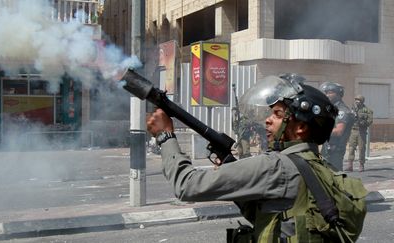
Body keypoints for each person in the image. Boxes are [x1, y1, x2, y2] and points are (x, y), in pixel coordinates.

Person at [147, 74, 344, 241]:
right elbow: (271, 216)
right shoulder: (324, 168)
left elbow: (187, 185)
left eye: (277, 114)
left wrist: (165, 136)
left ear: (301, 127)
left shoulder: (274, 166)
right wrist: (230, 166)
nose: (268, 119)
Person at [319, 82, 354, 171]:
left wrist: (318, 131)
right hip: (327, 147)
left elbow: (338, 131)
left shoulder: (342, 110)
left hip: (335, 150)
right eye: (326, 92)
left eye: (330, 92)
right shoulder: (331, 109)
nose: (327, 95)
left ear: (339, 94)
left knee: (335, 176)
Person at [346, 95, 373, 172]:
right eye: (356, 100)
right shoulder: (353, 110)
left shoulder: (367, 110)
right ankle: (350, 166)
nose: (357, 101)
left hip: (362, 131)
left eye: (358, 100)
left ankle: (361, 165)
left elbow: (370, 121)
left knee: (361, 149)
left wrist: (361, 122)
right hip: (353, 131)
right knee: (351, 148)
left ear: (362, 101)